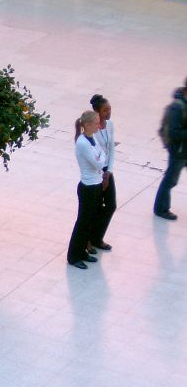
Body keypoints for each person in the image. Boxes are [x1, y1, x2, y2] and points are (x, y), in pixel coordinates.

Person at [74, 95, 116, 252]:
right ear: (97, 112)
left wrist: (109, 171)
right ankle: (88, 240)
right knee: (94, 207)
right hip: (96, 172)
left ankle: (97, 237)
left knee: (111, 205)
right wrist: (102, 170)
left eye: (110, 109)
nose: (109, 113)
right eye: (105, 110)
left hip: (106, 170)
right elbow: (97, 156)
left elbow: (111, 149)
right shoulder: (94, 129)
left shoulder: (110, 125)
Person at [67, 110, 107, 269]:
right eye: (97, 122)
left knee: (90, 221)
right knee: (83, 223)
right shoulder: (82, 142)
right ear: (88, 124)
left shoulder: (92, 138)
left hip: (96, 185)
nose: (99, 124)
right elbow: (98, 163)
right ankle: (73, 256)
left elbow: (101, 155)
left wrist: (101, 158)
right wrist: (101, 158)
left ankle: (82, 251)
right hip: (88, 187)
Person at [154, 78, 187, 220]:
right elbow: (173, 132)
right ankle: (161, 208)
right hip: (179, 151)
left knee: (171, 178)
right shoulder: (177, 108)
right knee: (171, 179)